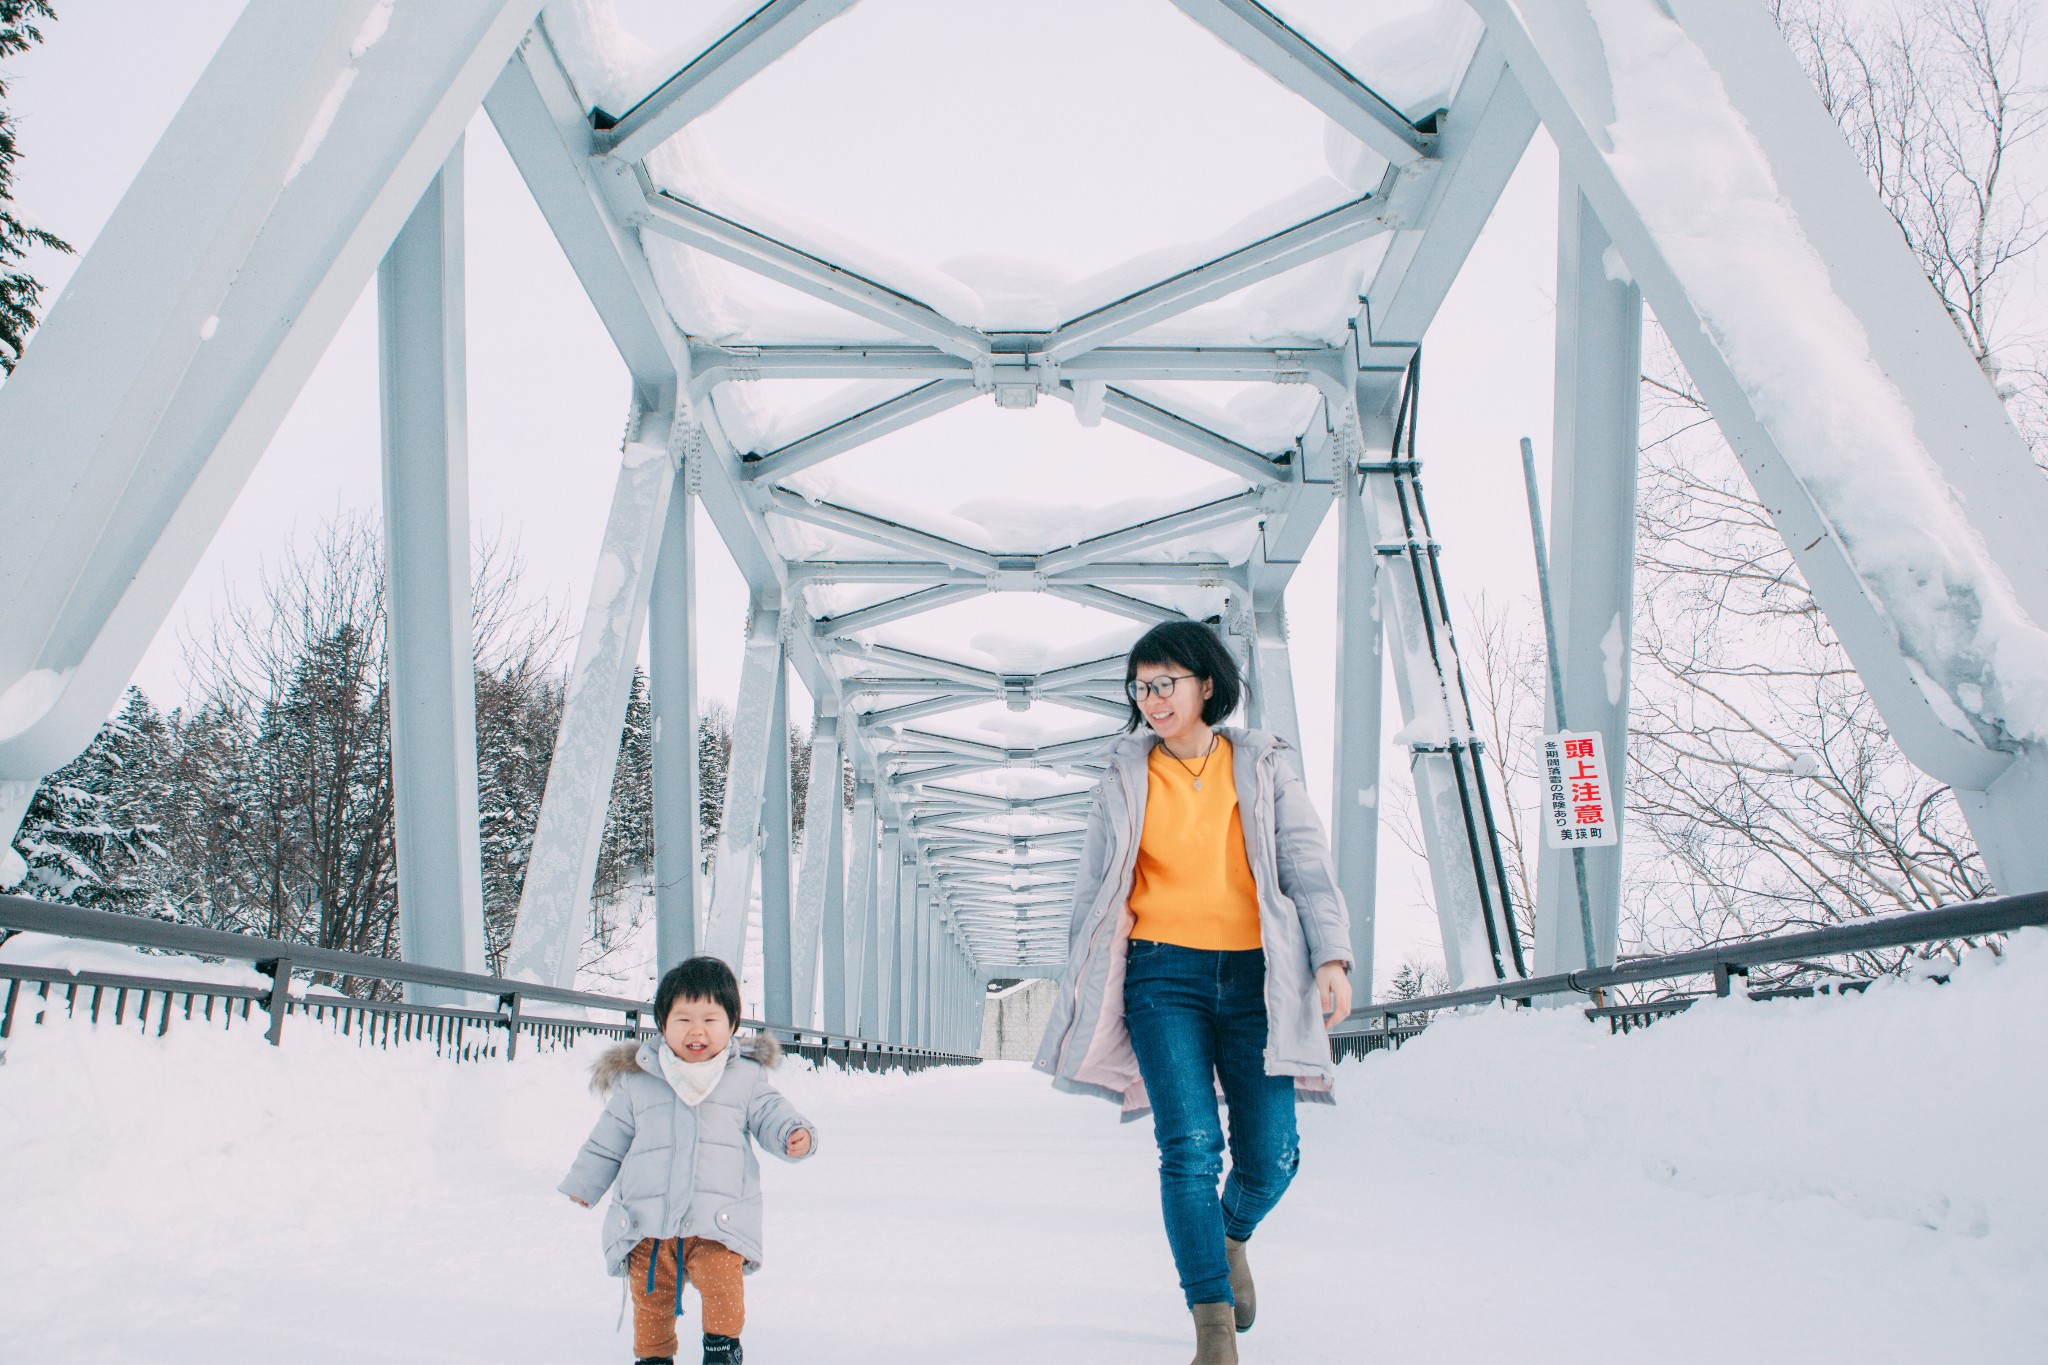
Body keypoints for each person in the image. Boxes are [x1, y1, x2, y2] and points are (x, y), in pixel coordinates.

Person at [1034, 620, 1353, 1365]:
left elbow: (1307, 862)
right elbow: (1092, 885)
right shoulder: (1124, 774)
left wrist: (1332, 955)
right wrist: (1079, 972)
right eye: (1141, 687)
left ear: (1206, 684)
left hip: (1256, 976)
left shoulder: (1264, 763)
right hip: (1161, 973)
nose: (1152, 699)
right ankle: (1211, 1324)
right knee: (1188, 1147)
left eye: (1165, 682)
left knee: (1272, 1155)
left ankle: (1230, 1234)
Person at [562, 957, 817, 1365]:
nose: (696, 1031)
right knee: (650, 1303)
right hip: (648, 1223)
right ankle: (653, 1358)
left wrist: (792, 1133)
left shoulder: (745, 1078)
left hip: (717, 1222)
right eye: (683, 1019)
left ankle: (722, 1350)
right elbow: (608, 1139)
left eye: (710, 1019)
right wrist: (585, 1183)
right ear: (662, 1025)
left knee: (724, 1291)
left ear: (732, 1025)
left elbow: (772, 1112)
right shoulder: (640, 1079)